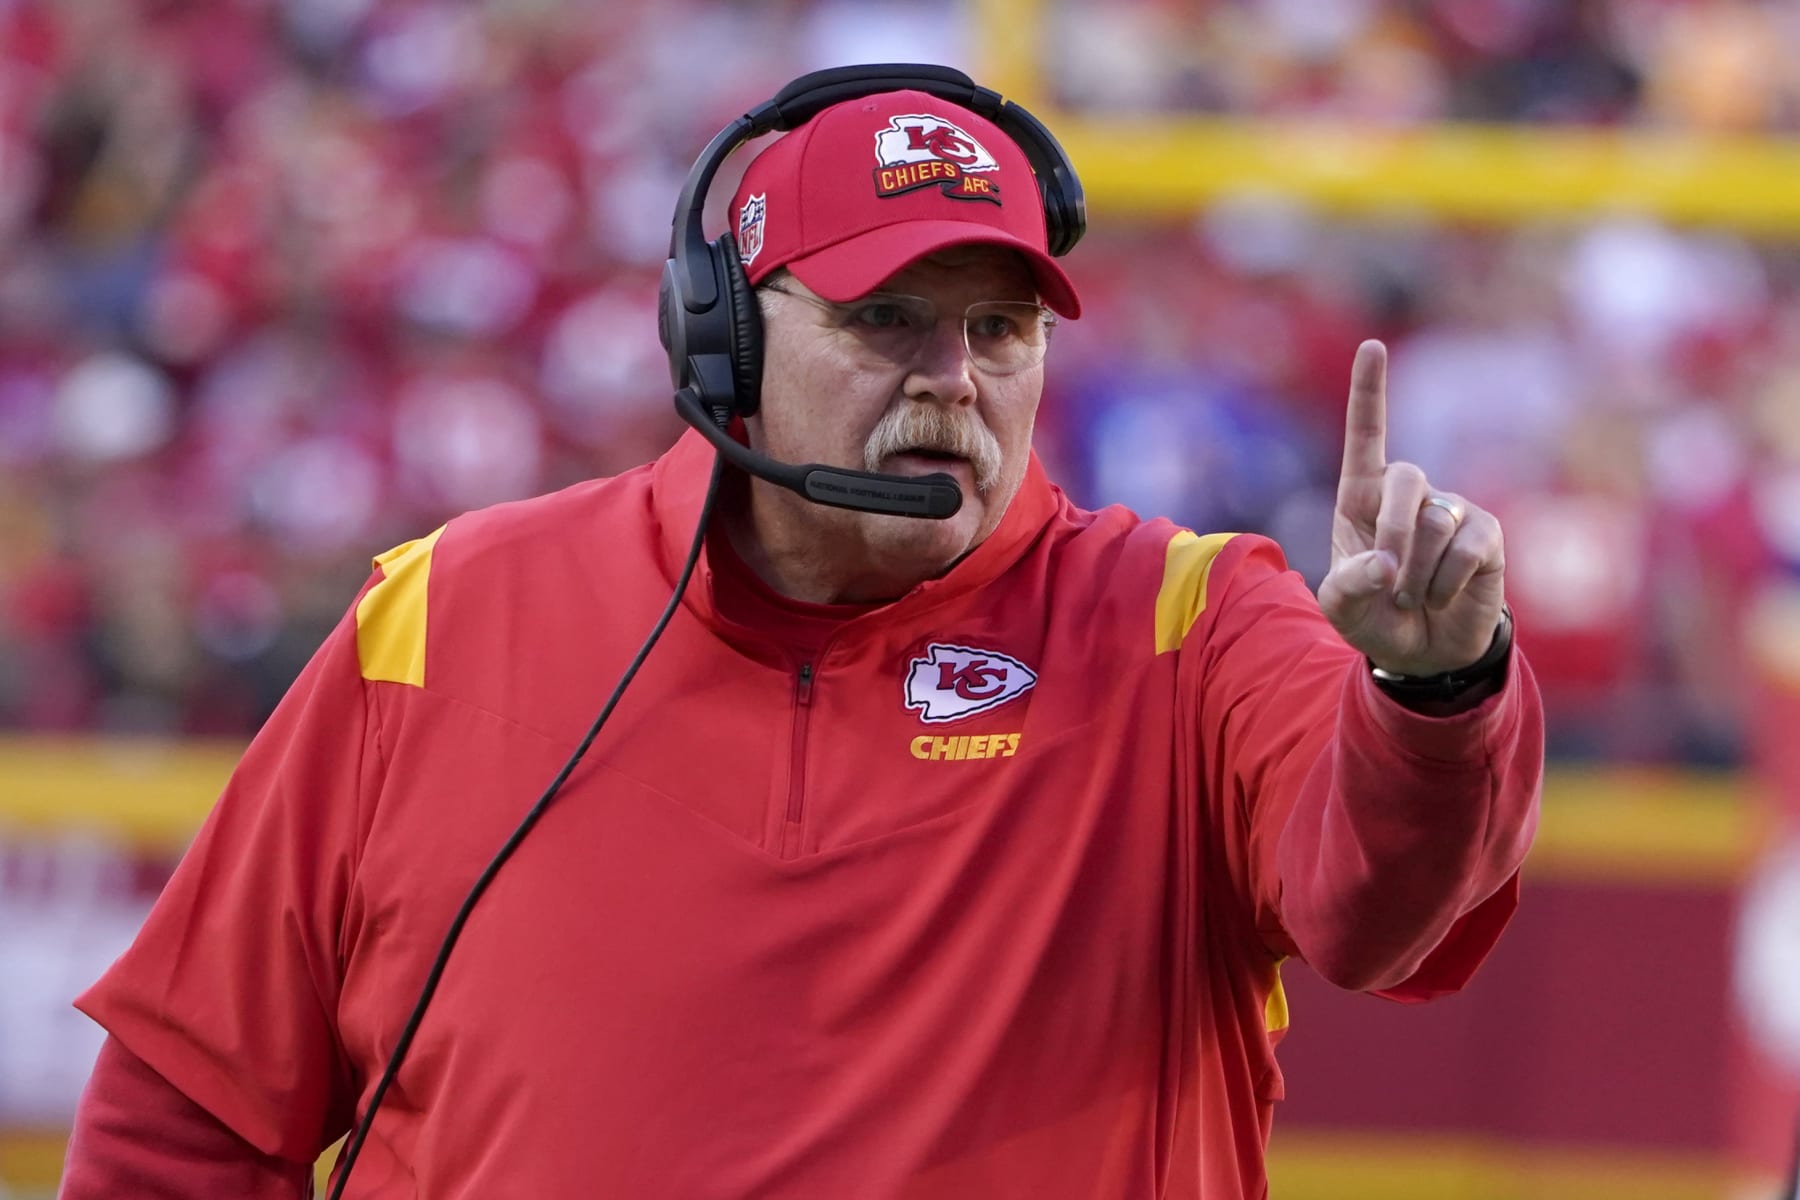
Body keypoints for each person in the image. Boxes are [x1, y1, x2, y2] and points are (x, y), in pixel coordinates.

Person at [59, 69, 1543, 1200]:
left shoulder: (1185, 620)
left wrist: (1432, 689)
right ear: (728, 338)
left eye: (1001, 330)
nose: (954, 378)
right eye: (890, 318)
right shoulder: (447, 618)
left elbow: (1374, 908)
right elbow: (187, 1109)